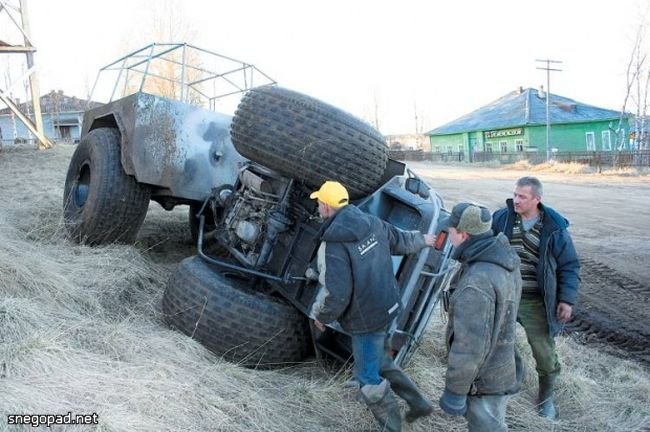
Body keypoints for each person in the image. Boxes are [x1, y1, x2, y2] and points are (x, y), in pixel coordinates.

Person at [309, 180, 436, 432]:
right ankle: (419, 403)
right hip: (389, 306)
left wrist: (322, 316)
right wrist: (424, 239)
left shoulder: (333, 245)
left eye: (319, 203)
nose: (318, 207)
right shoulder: (371, 222)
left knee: (369, 379)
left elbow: (338, 293)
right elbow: (400, 241)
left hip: (366, 319)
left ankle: (392, 427)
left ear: (325, 205)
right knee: (381, 362)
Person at [491, 176, 581, 420]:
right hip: (505, 295)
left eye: (523, 197)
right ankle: (514, 378)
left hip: (534, 300)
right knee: (495, 342)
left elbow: (570, 265)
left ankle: (546, 398)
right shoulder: (502, 217)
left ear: (537, 200)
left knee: (544, 353)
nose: (516, 200)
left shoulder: (554, 228)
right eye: (515, 194)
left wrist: (566, 299)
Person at [437, 202, 522, 432]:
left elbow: (469, 346)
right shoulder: (503, 260)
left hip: (484, 378)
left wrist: (455, 391)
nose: (448, 235)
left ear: (464, 234)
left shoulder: (477, 282)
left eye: (451, 231)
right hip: (500, 365)